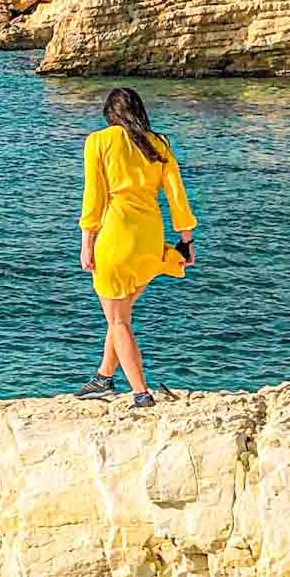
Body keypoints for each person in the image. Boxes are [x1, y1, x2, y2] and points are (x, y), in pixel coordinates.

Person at [77, 86, 197, 407]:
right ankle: (103, 377)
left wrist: (86, 241)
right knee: (120, 314)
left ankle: (140, 394)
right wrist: (186, 242)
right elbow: (177, 197)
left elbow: (94, 198)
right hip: (149, 241)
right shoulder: (158, 145)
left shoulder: (98, 142)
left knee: (118, 321)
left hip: (116, 238)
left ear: (110, 115)